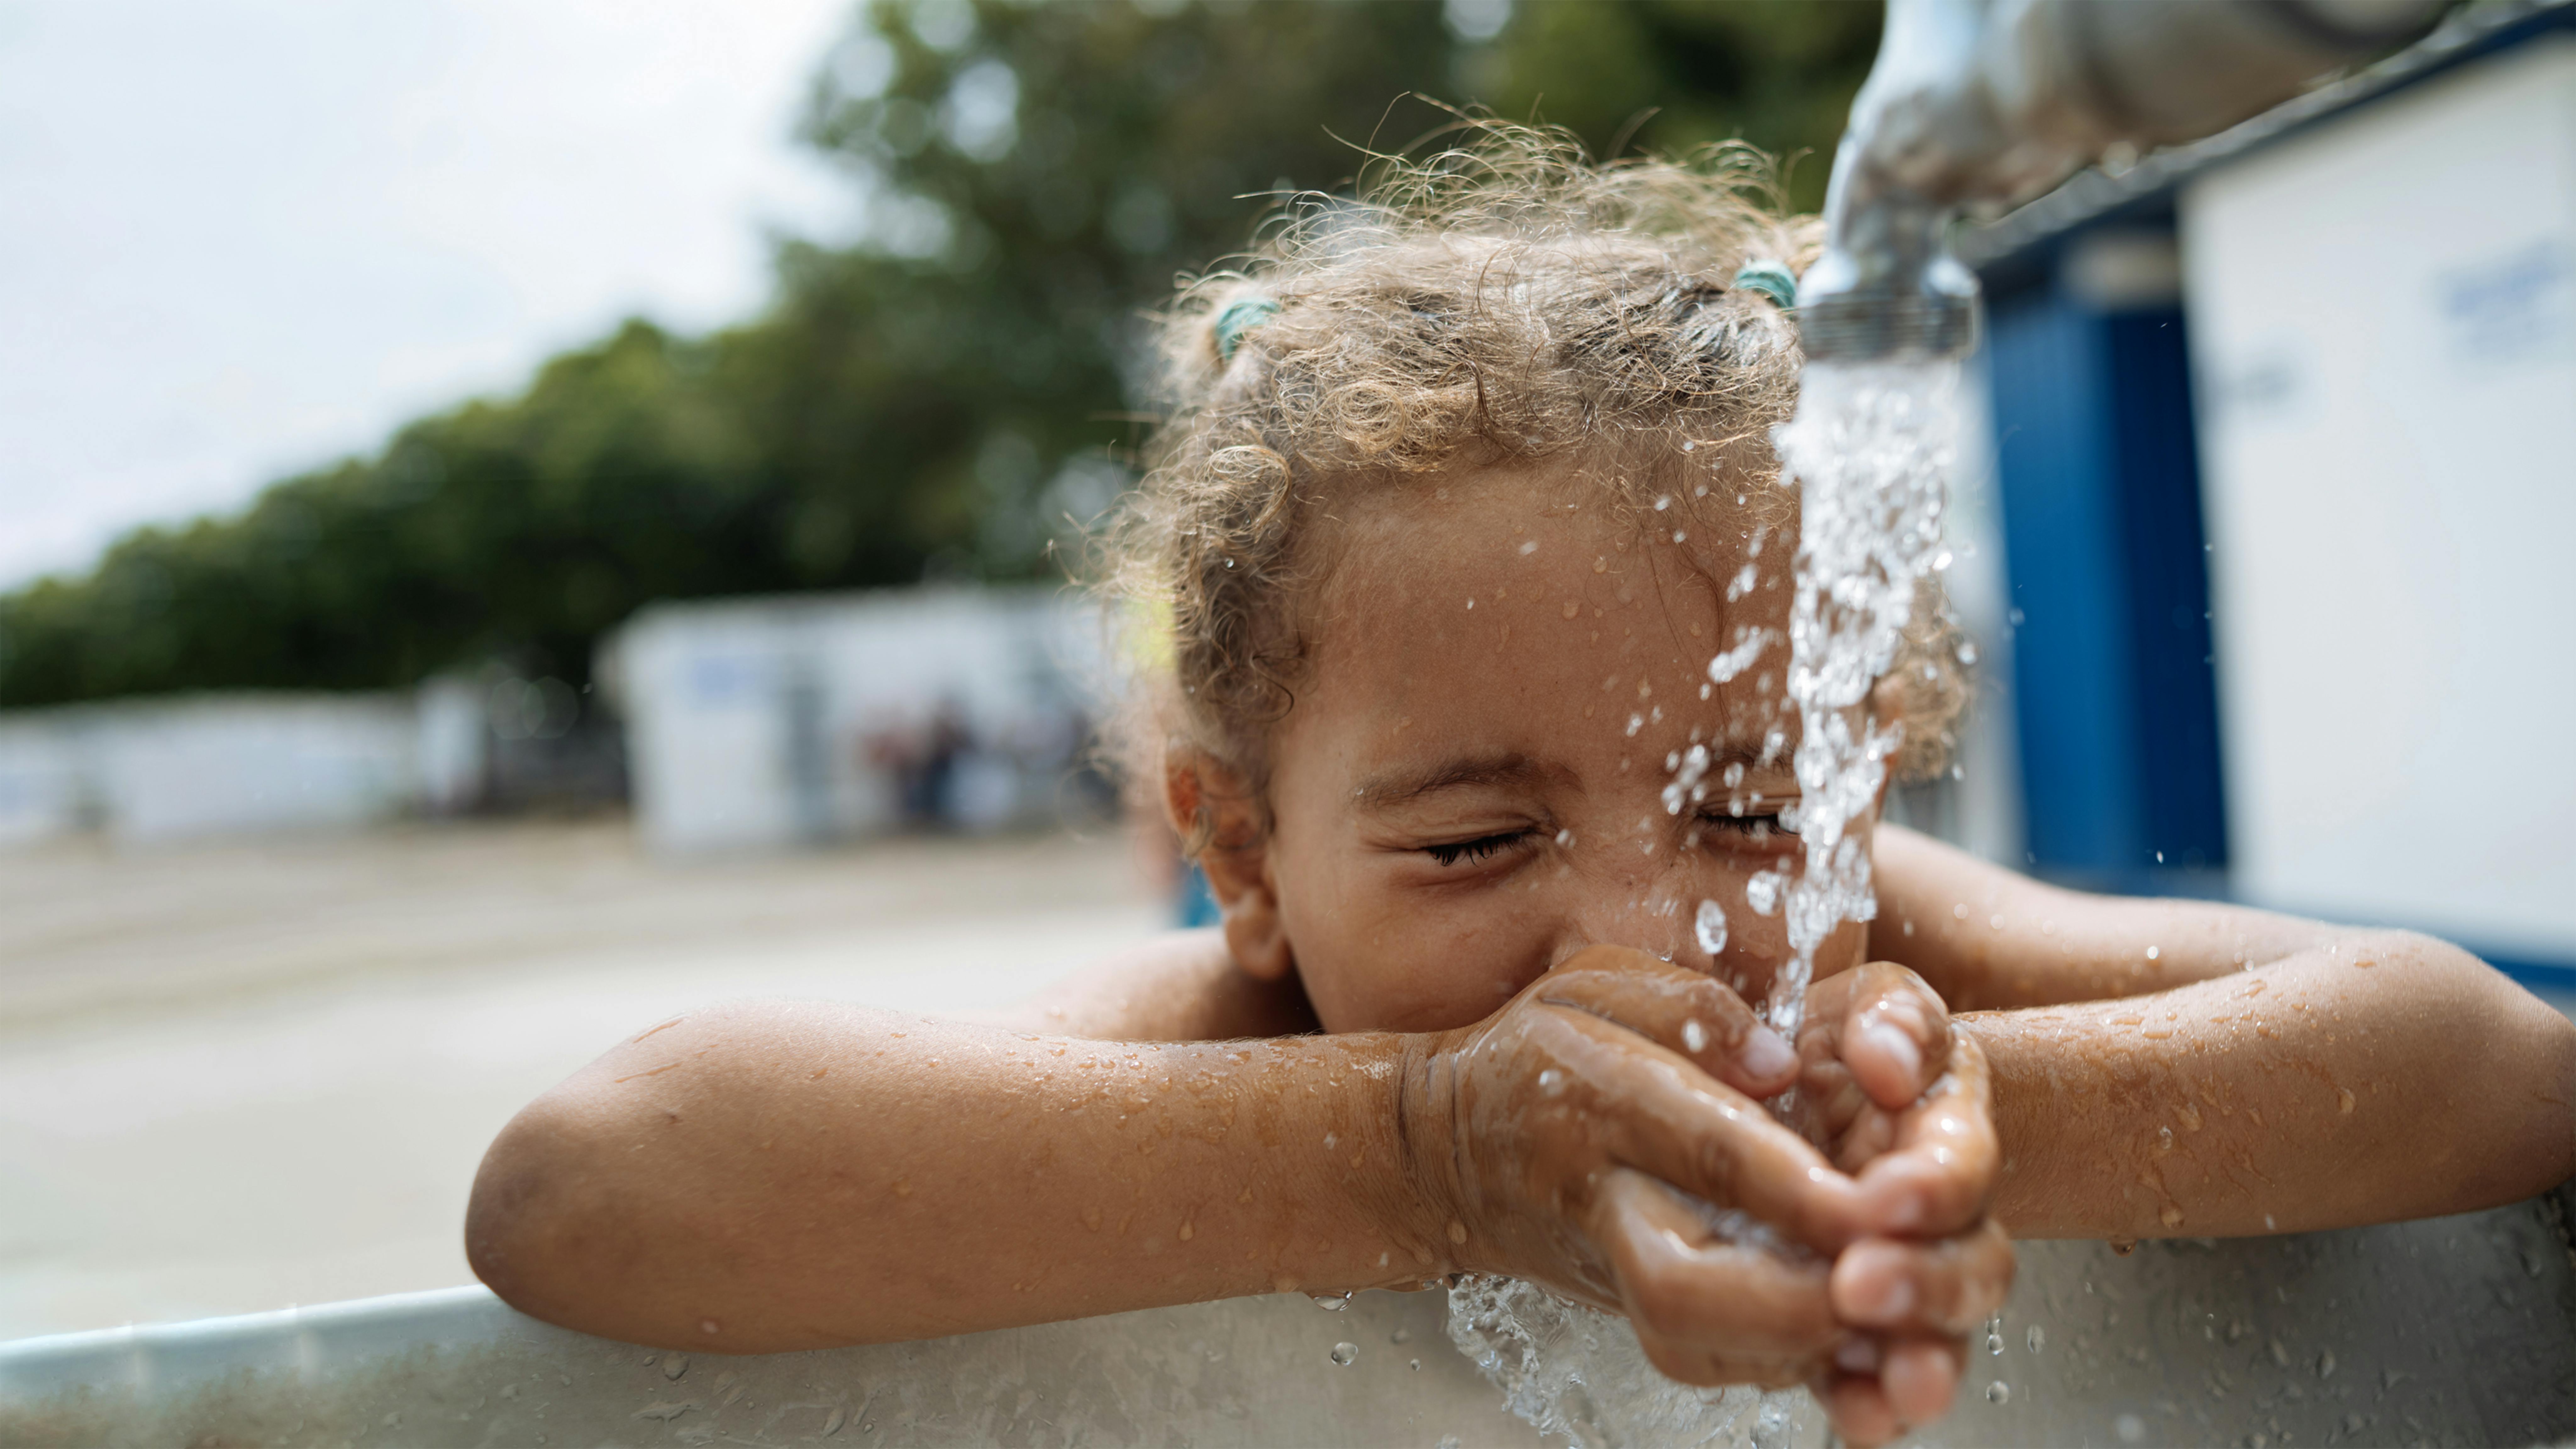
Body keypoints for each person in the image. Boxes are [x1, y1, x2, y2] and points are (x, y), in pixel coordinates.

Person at [464, 129, 2576, 1446]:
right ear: (1243, 859)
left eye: (1755, 812)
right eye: (1477, 840)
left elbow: (2489, 1064)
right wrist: (1412, 1152)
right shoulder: (1232, 1024)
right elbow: (590, 1181)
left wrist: (1966, 1140)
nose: (1654, 932)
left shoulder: (1894, 956)